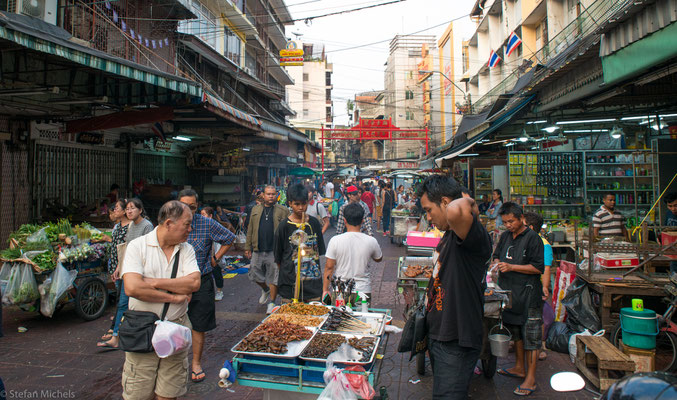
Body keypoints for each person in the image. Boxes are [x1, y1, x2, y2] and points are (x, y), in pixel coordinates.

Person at [417, 175, 492, 399]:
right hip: (442, 336)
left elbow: (457, 210)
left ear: (445, 202)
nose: (428, 217)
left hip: (456, 341)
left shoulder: (472, 237)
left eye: (430, 210)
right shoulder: (450, 235)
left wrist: (467, 200)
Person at [120, 201, 201, 400]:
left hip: (176, 329)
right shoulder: (137, 247)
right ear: (168, 223)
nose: (190, 229)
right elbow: (132, 288)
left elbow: (193, 282)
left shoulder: (186, 249)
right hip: (143, 330)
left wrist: (152, 282)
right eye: (187, 224)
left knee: (169, 393)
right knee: (138, 394)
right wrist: (173, 297)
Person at [178, 189, 235, 384]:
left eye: (192, 207)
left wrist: (215, 259)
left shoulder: (206, 223)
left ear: (197, 206)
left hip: (201, 280)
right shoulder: (170, 223)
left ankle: (195, 363)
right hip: (175, 282)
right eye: (184, 206)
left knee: (198, 324)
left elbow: (229, 238)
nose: (188, 210)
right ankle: (174, 363)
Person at [493, 202, 545, 396]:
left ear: (521, 218)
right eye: (505, 222)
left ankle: (530, 379)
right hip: (509, 292)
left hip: (529, 294)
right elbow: (497, 256)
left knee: (530, 336)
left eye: (511, 221)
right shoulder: (505, 236)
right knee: (515, 332)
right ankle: (519, 367)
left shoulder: (533, 239)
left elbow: (538, 267)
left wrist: (512, 267)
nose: (508, 225)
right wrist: (497, 264)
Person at [99, 198, 153, 349]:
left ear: (140, 210)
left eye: (132, 208)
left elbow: (148, 251)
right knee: (123, 303)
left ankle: (133, 334)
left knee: (137, 304)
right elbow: (126, 249)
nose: (129, 211)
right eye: (127, 209)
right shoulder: (130, 226)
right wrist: (118, 268)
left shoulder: (147, 226)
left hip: (140, 272)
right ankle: (116, 335)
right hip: (127, 270)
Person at [274, 184, 326, 302]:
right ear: (290, 203)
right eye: (297, 204)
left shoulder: (314, 224)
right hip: (289, 286)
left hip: (313, 285)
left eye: (304, 203)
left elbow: (319, 250)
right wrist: (289, 273)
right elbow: (278, 258)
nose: (301, 208)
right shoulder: (283, 226)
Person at [323, 203, 382, 306]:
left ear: (344, 220)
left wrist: (325, 290)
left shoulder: (335, 241)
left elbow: (329, 267)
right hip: (363, 291)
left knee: (339, 320)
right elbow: (378, 258)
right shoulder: (371, 241)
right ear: (363, 221)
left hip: (340, 291)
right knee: (361, 320)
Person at [245, 185, 290, 314]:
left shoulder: (283, 210)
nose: (271, 196)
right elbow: (250, 229)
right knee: (253, 274)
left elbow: (287, 231)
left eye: (273, 194)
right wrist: (247, 247)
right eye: (268, 194)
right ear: (263, 195)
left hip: (274, 250)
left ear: (276, 195)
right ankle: (265, 289)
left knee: (274, 277)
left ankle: (271, 302)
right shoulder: (255, 209)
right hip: (258, 248)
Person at [97, 199, 131, 346]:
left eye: (117, 208)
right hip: (115, 266)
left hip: (125, 267)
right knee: (120, 299)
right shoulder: (117, 226)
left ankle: (116, 332)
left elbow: (126, 249)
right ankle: (117, 329)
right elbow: (116, 245)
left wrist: (119, 267)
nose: (114, 210)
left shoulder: (131, 227)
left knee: (123, 301)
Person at [523, 212, 553, 361]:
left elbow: (546, 268)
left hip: (538, 285)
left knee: (538, 317)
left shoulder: (544, 244)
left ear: (531, 227)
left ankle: (540, 346)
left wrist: (544, 287)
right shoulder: (528, 240)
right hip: (527, 285)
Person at [201, 207, 225, 301]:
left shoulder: (215, 226)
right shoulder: (200, 226)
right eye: (201, 214)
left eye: (204, 214)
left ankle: (219, 291)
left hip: (214, 255)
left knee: (217, 273)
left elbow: (226, 241)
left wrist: (217, 257)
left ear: (210, 216)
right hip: (204, 255)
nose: (201, 217)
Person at [664, 192, 677, 274]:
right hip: (673, 251)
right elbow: (665, 229)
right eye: (670, 206)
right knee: (674, 275)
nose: (673, 209)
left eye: (676, 205)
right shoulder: (669, 214)